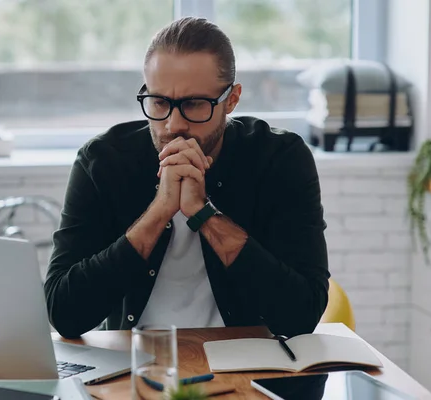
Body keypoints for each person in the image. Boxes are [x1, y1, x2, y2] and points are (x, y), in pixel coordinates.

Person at [44, 17, 329, 339]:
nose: (173, 124)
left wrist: (203, 213)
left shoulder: (279, 158)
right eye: (160, 102)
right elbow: (64, 314)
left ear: (232, 99)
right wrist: (159, 211)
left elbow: (302, 315)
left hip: (247, 363)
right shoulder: (102, 161)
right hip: (134, 363)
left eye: (194, 104)